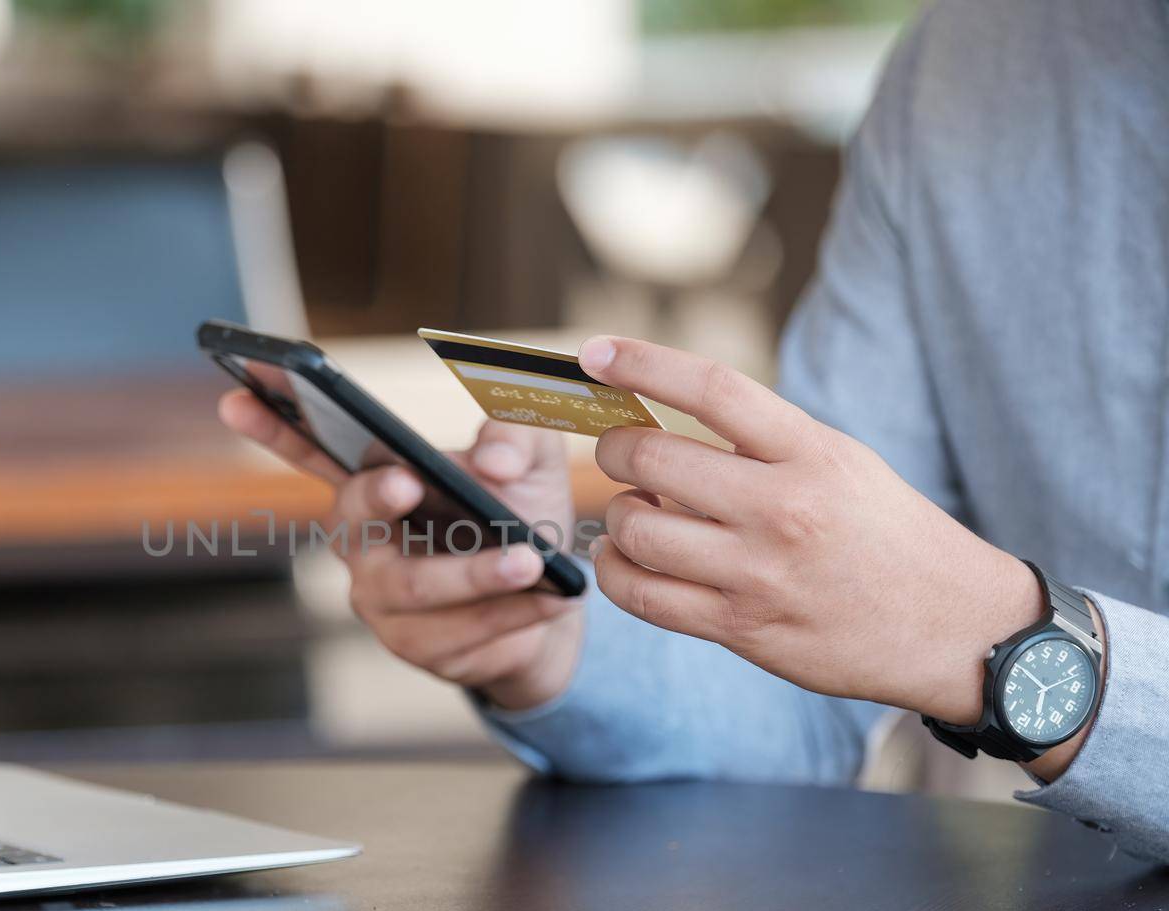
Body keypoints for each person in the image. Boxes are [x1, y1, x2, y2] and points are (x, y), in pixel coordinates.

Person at [218, 0, 1169, 864]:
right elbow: (799, 701)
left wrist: (1014, 648)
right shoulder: (971, 66)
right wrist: (546, 642)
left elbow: (940, 630)